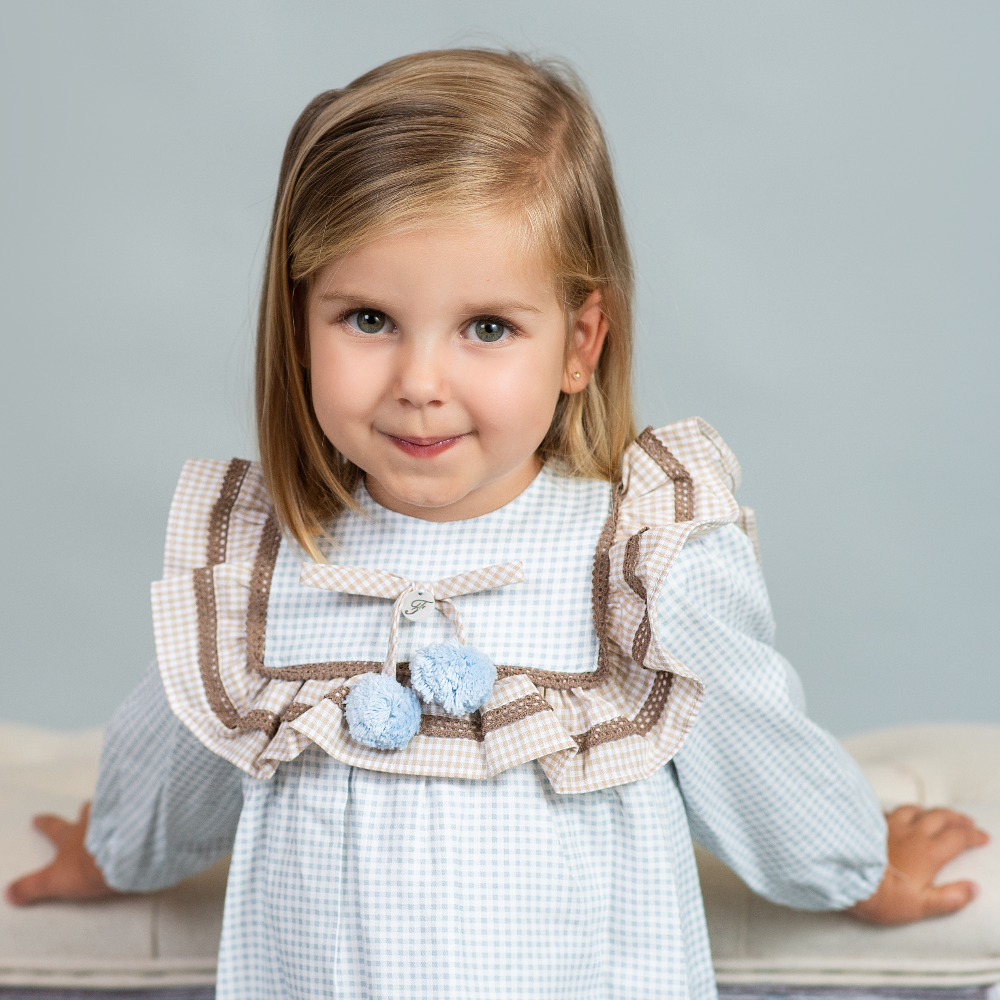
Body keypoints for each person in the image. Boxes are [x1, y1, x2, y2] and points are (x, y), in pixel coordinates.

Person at [6, 49, 988, 999]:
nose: (419, 384)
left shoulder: (633, 562)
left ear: (580, 343)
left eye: (486, 328)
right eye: (368, 319)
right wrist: (114, 853)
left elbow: (752, 749)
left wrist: (857, 866)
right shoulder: (275, 565)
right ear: (300, 323)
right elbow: (179, 753)